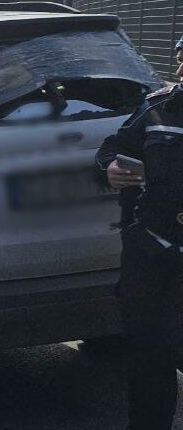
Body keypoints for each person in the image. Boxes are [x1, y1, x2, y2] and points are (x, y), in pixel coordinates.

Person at [97, 38, 183, 430]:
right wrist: (108, 169)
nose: (180, 73)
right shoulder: (159, 106)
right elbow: (114, 146)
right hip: (151, 253)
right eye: (181, 62)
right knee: (149, 361)